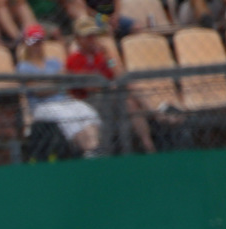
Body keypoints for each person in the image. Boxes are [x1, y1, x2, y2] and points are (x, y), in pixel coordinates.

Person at [65, 16, 153, 152]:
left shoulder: (102, 55)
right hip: (89, 100)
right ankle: (157, 114)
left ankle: (146, 145)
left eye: (93, 35)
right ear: (78, 39)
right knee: (123, 99)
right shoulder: (74, 59)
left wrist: (109, 58)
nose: (92, 39)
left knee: (131, 101)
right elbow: (89, 87)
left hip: (112, 94)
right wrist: (110, 86)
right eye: (87, 36)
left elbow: (119, 74)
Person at [17, 22, 99, 154]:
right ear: (27, 44)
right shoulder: (24, 66)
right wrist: (57, 83)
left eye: (39, 41)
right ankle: (87, 150)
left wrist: (52, 84)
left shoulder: (53, 62)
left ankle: (93, 149)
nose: (37, 46)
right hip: (42, 106)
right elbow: (40, 92)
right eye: (33, 42)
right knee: (65, 116)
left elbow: (64, 81)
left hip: (63, 100)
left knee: (84, 110)